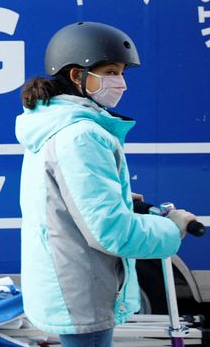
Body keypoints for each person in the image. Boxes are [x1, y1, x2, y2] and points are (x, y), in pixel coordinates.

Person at [15, 21, 197, 347]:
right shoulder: (81, 135)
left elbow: (62, 200)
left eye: (122, 72)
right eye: (111, 71)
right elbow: (110, 231)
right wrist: (173, 228)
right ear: (76, 76)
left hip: (65, 284)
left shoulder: (52, 125)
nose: (121, 83)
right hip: (81, 293)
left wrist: (119, 197)